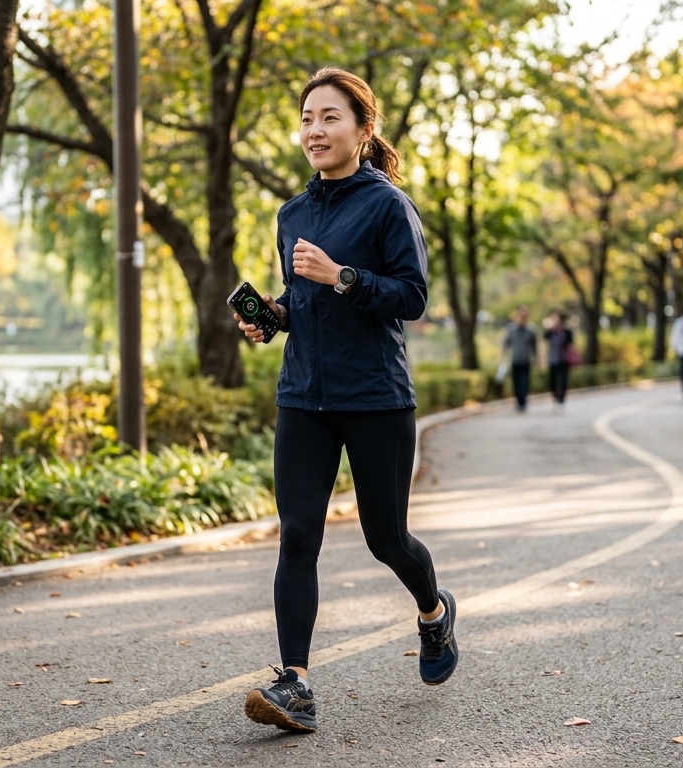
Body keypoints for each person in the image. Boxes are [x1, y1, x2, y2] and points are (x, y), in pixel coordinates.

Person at [232, 67, 458, 735]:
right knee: (297, 536)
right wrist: (271, 316)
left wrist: (343, 276)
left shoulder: (388, 205)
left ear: (363, 130)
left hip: (376, 398)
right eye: (306, 118)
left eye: (329, 117)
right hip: (304, 398)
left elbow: (412, 298)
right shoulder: (292, 214)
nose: (314, 130)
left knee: (385, 538)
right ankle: (294, 683)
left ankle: (434, 613)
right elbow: (306, 306)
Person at [502, 306, 538, 412]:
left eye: (525, 316)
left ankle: (523, 403)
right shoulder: (512, 329)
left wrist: (536, 358)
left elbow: (534, 346)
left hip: (525, 360)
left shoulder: (530, 330)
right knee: (516, 382)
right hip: (515, 360)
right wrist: (503, 356)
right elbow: (506, 343)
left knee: (524, 382)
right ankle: (519, 401)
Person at [544, 312, 574, 412]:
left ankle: (561, 400)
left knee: (563, 381)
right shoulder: (550, 332)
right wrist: (549, 328)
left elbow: (570, 343)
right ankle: (556, 398)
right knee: (552, 381)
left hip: (563, 359)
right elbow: (545, 337)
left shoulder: (566, 331)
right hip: (553, 359)